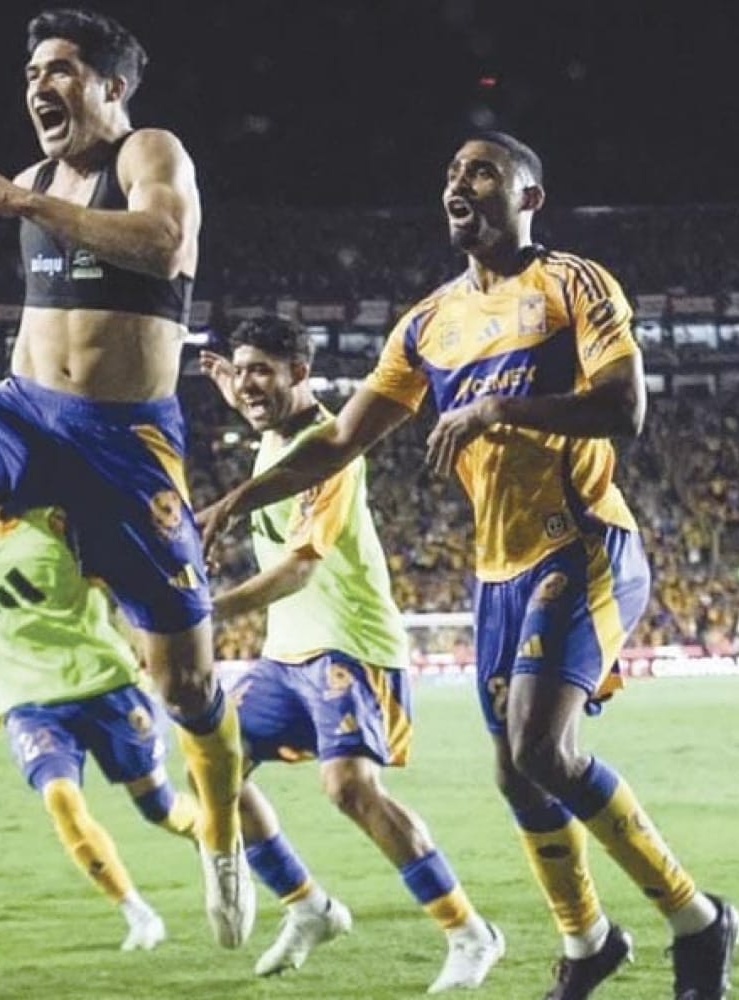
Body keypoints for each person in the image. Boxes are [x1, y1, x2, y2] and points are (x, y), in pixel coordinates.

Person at [199, 132, 739, 1000]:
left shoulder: (572, 283)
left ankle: (697, 921)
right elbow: (338, 441)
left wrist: (495, 409)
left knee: (539, 748)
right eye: (453, 172)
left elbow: (623, 407)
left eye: (482, 170)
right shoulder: (426, 324)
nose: (460, 181)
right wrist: (240, 497)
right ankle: (588, 940)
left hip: (582, 541)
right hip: (496, 574)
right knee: (515, 771)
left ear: (528, 197)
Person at [0, 7, 251, 945]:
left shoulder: (148, 150)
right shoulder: (34, 180)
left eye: (63, 69)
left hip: (124, 446)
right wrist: (25, 202)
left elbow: (162, 244)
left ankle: (222, 840)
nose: (41, 85)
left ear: (111, 86)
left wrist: (23, 204)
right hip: (27, 417)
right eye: (34, 71)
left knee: (188, 691)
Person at [201, 316, 503, 990]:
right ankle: (308, 906)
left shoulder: (327, 453)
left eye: (261, 371)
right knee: (213, 767)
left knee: (348, 787)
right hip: (284, 655)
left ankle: (469, 932)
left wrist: (206, 611)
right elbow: (253, 398)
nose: (247, 385)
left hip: (350, 645)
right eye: (240, 371)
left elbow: (299, 570)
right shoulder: (273, 431)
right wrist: (233, 380)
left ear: (299, 373)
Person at [0, 505, 201, 951]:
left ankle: (212, 835)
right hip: (28, 699)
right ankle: (137, 912)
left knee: (159, 808)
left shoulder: (59, 518)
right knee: (60, 798)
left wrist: (152, 654)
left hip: (103, 681)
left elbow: (119, 588)